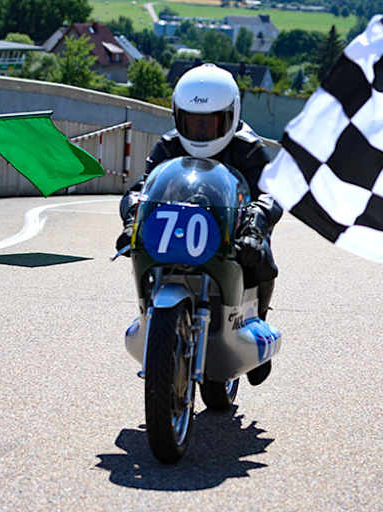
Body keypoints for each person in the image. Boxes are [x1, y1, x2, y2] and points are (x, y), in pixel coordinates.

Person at [116, 63, 282, 386]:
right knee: (138, 250)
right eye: (192, 122)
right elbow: (143, 187)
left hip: (235, 226)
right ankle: (149, 317)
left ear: (231, 115)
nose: (201, 131)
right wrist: (132, 218)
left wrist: (256, 222)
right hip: (178, 225)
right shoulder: (168, 144)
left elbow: (270, 192)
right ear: (178, 116)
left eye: (210, 122)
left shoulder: (248, 147)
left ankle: (257, 317)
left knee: (261, 259)